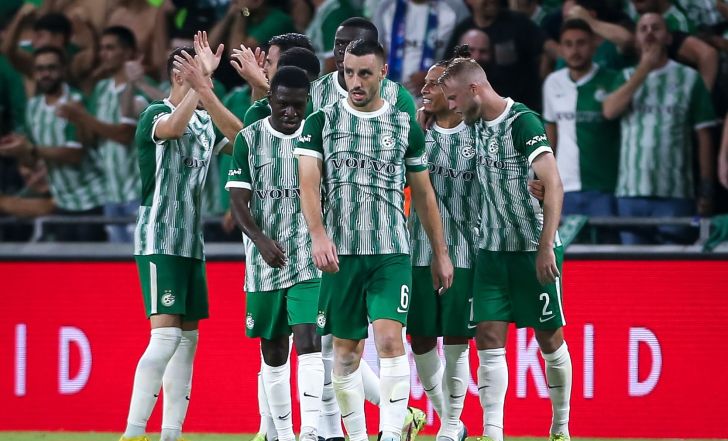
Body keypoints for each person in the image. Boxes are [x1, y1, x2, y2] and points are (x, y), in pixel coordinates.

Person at [295, 39, 453, 441]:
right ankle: (360, 435)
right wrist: (318, 235)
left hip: (390, 252)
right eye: (348, 72)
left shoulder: (403, 124)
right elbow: (307, 183)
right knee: (345, 352)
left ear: (383, 73)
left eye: (364, 73)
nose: (355, 82)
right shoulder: (321, 121)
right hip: (341, 254)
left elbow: (424, 194)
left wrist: (440, 253)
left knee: (389, 338)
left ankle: (391, 433)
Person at [439, 57, 571, 441]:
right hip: (491, 250)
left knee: (549, 339)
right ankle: (492, 432)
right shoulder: (473, 124)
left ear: (474, 89)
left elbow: (553, 183)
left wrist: (545, 247)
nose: (452, 106)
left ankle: (561, 427)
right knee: (488, 338)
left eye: (454, 98)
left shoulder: (522, 122)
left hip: (532, 249)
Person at [119, 39, 228, 441]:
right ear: (179, 74)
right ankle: (133, 433)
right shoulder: (154, 114)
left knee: (187, 341)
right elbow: (173, 128)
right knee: (164, 337)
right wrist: (202, 85)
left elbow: (241, 141)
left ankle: (171, 434)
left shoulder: (204, 122)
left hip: (191, 244)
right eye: (195, 70)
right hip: (158, 238)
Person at [226, 65, 324, 441]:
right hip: (264, 263)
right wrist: (260, 240)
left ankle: (310, 430)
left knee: (309, 340)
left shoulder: (318, 136)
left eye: (298, 105)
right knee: (274, 350)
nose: (291, 112)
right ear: (270, 99)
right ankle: (283, 434)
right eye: (283, 104)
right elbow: (238, 199)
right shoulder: (249, 139)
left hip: (308, 258)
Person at [407, 50, 477, 441]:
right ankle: (450, 418)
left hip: (464, 250)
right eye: (425, 83)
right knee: (419, 339)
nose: (425, 90)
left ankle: (450, 426)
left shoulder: (477, 134)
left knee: (455, 339)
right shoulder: (416, 134)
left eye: (433, 84)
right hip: (417, 248)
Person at [602, 13, 716, 244]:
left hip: (675, 193)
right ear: (636, 39)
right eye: (643, 28)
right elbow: (609, 111)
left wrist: (707, 187)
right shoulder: (624, 76)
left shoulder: (690, 78)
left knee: (673, 264)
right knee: (633, 265)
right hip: (631, 192)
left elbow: (704, 135)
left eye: (656, 28)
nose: (649, 33)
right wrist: (644, 68)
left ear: (668, 38)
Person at [0, 46, 106, 241]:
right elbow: (33, 160)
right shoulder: (33, 108)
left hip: (90, 200)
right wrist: (18, 152)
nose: (45, 74)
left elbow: (74, 154)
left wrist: (30, 149)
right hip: (61, 202)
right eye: (40, 69)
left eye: (51, 68)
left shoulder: (76, 102)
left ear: (63, 69)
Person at [57, 26, 148, 243]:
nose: (103, 54)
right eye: (102, 49)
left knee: (140, 257)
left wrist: (81, 116)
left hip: (138, 192)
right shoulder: (101, 89)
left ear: (128, 52)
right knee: (114, 261)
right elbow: (92, 137)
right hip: (111, 193)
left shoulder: (141, 89)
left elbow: (124, 135)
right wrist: (77, 119)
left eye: (110, 48)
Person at [542, 19, 620, 219]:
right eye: (568, 44)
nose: (574, 51)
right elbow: (550, 137)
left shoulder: (612, 79)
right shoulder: (553, 82)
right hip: (564, 187)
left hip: (605, 186)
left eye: (581, 43)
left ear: (594, 45)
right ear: (561, 48)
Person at [307, 17, 416, 117]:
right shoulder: (314, 93)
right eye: (339, 44)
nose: (341, 51)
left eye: (350, 45)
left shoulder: (398, 98)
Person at [372, 0, 469, 96]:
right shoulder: (386, 6)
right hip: (389, 93)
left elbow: (468, 58)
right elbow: (374, 52)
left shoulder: (455, 7)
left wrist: (436, 76)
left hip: (439, 95)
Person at [243, 47, 321, 126]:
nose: (265, 69)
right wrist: (257, 85)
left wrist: (261, 84)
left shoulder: (320, 109)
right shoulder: (261, 108)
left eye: (270, 63)